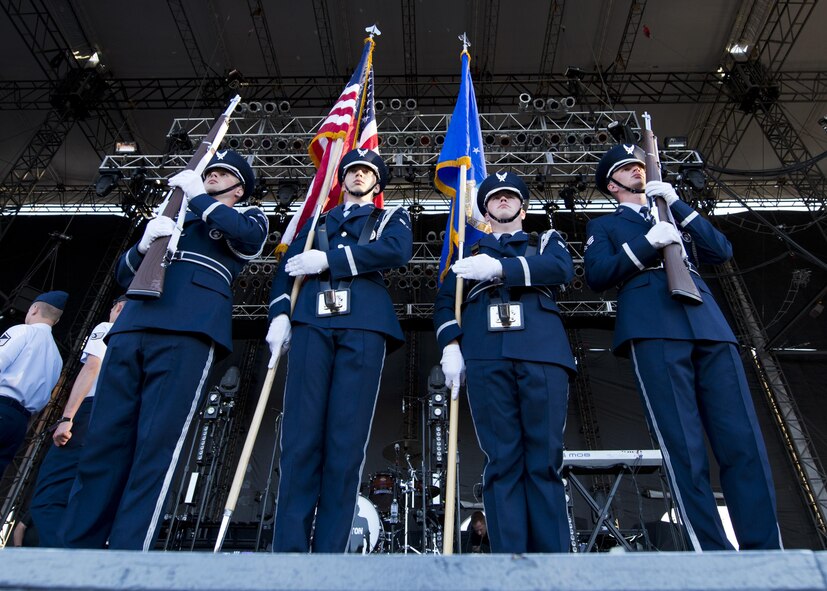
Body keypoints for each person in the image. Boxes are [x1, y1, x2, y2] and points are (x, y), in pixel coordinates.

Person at [61, 150, 268, 550]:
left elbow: (250, 240)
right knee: (103, 442)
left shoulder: (247, 216)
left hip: (187, 328)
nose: (212, 176)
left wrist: (201, 199)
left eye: (222, 173)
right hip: (134, 324)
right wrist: (141, 246)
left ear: (238, 188)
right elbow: (123, 275)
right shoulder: (174, 212)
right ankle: (75, 552)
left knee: (155, 447)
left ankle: (127, 555)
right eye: (210, 172)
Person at [583, 143, 782, 551]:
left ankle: (765, 551)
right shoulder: (603, 225)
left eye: (640, 165)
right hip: (653, 323)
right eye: (627, 168)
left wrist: (679, 205)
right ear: (612, 184)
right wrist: (645, 245)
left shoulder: (674, 211)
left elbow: (720, 251)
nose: (638, 171)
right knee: (684, 449)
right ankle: (711, 552)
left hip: (708, 324)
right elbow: (598, 274)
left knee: (742, 442)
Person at [266, 148, 412, 553]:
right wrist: (279, 315)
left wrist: (328, 259)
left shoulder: (389, 217)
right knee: (299, 441)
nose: (360, 175)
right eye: (353, 170)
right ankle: (288, 557)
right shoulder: (316, 221)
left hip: (364, 323)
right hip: (312, 321)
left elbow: (396, 250)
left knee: (345, 444)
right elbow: (286, 270)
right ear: (341, 179)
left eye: (367, 171)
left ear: (377, 183)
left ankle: (330, 557)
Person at [433, 171, 576, 554]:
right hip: (485, 356)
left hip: (542, 353)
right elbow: (445, 302)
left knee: (544, 460)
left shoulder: (545, 240)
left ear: (523, 209)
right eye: (494, 197)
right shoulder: (468, 255)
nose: (502, 200)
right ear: (484, 211)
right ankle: (510, 562)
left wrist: (501, 270)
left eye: (510, 196)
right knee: (502, 461)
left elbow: (562, 269)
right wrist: (450, 344)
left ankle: (554, 566)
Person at [29, 295, 126, 547]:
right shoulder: (143, 341)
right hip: (118, 420)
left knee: (49, 496)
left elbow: (92, 367)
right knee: (90, 497)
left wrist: (67, 418)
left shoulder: (108, 329)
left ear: (118, 307)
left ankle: (55, 562)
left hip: (90, 413)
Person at [0, 290, 66, 477]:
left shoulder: (22, 331)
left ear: (34, 309)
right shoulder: (57, 358)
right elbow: (43, 401)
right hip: (20, 424)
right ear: (57, 320)